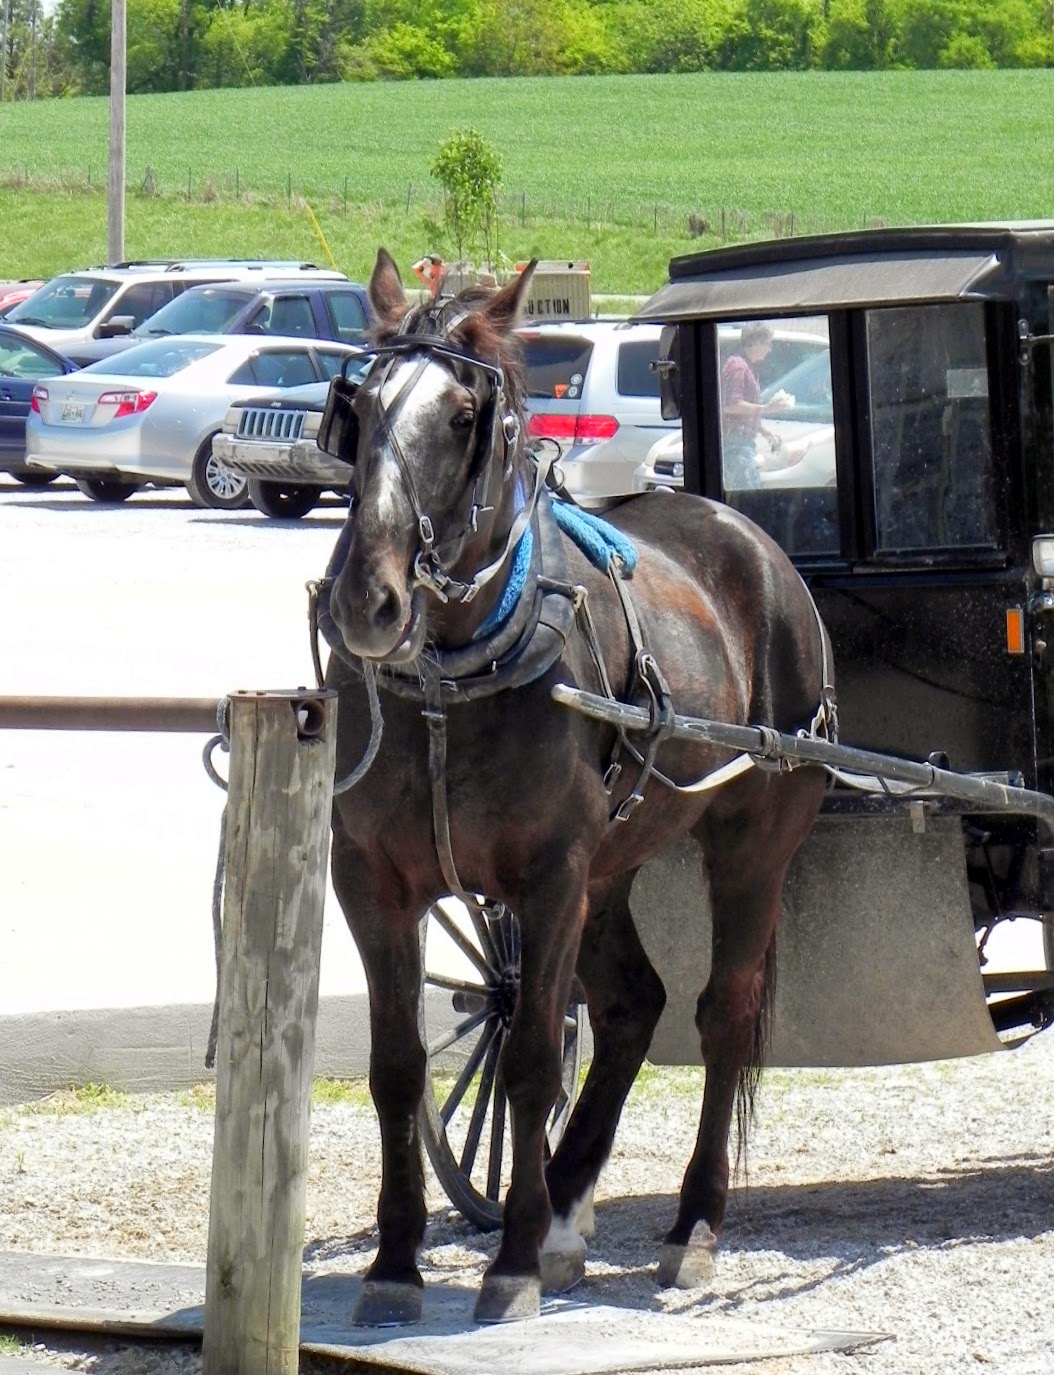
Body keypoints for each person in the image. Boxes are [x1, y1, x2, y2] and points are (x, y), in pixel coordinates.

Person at [720, 323, 793, 490]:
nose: (770, 349)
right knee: (745, 494)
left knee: (750, 490)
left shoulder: (748, 366)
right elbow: (730, 405)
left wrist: (764, 431)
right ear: (757, 343)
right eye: (768, 344)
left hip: (743, 442)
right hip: (735, 444)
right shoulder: (738, 366)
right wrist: (766, 408)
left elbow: (741, 412)